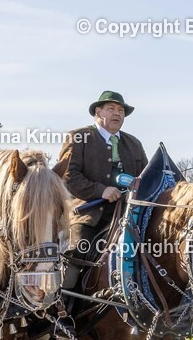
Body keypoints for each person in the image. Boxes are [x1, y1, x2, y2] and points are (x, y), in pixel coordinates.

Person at [58, 91, 147, 287]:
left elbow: (146, 178)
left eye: (121, 110)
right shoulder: (78, 137)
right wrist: (101, 191)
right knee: (78, 248)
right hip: (89, 213)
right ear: (98, 112)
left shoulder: (134, 143)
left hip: (130, 214)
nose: (117, 114)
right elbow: (68, 177)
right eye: (111, 109)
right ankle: (62, 306)